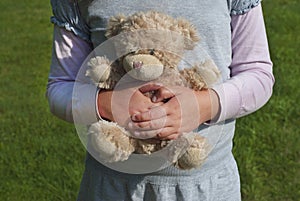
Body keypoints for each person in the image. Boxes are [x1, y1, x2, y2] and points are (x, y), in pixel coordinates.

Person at [47, 0, 275, 200]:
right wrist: (108, 104)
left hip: (206, 184)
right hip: (113, 186)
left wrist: (203, 105)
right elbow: (61, 86)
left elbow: (257, 73)